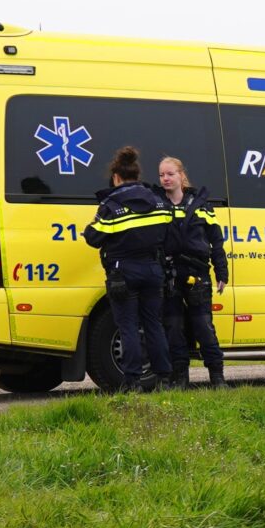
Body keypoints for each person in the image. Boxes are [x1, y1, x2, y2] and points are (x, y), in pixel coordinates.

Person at [84, 146, 175, 392]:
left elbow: (93, 238)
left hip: (123, 273)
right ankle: (165, 378)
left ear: (116, 177)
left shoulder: (112, 205)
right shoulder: (158, 201)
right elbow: (169, 232)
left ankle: (132, 381)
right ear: (137, 176)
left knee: (128, 327)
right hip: (153, 270)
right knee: (154, 324)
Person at [156, 155, 228, 388]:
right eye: (161, 175)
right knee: (174, 328)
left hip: (197, 274)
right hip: (170, 275)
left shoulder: (201, 206)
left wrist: (222, 272)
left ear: (181, 176)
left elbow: (216, 242)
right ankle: (180, 378)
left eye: (170, 174)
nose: (165, 179)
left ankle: (217, 378)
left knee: (203, 327)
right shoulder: (157, 205)